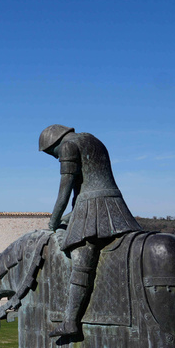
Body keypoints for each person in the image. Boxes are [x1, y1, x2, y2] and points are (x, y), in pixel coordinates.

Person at [39, 125, 142, 337]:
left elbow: (65, 191)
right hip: (112, 204)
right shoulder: (91, 139)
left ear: (54, 145)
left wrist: (54, 220)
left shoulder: (68, 146)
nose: (55, 157)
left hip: (94, 207)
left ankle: (70, 321)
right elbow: (85, 189)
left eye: (52, 154)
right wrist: (68, 217)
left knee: (81, 258)